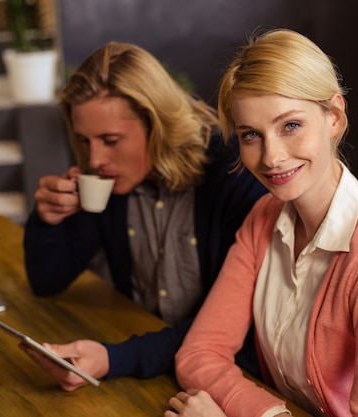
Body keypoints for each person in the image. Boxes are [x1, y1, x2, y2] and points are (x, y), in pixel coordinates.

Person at [166, 28, 358, 417]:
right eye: (251, 135)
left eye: (290, 125)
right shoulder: (263, 219)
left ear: (333, 115)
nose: (272, 157)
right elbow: (199, 354)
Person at [21, 41, 267, 391]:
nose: (95, 159)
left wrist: (113, 358)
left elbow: (235, 331)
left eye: (110, 139)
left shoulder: (233, 175)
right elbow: (46, 281)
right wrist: (46, 220)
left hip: (218, 376)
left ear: (157, 124)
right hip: (147, 358)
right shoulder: (107, 178)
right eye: (84, 140)